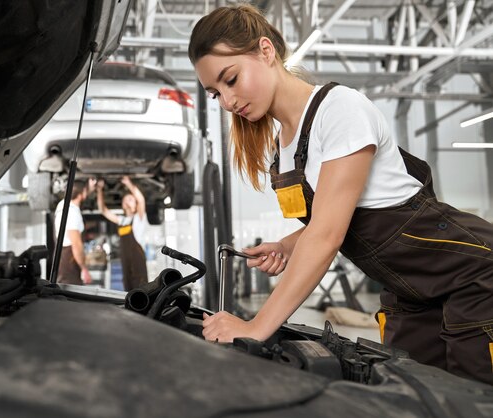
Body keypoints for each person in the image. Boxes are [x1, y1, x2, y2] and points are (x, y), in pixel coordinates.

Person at [190, 4, 493, 384]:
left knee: (474, 396)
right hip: (410, 294)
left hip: (473, 277)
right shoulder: (282, 148)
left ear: (265, 52)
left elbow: (327, 235)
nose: (228, 101)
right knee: (413, 395)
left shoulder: (339, 109)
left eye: (230, 79)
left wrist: (256, 325)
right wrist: (288, 245)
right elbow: (341, 216)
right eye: (215, 93)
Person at [96, 176, 148, 291]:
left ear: (136, 204)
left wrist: (129, 183)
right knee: (127, 289)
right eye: (126, 199)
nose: (127, 201)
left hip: (138, 262)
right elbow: (103, 210)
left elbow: (141, 200)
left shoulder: (139, 219)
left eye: (130, 199)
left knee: (141, 290)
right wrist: (99, 190)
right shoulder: (122, 221)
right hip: (126, 262)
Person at [54, 179, 95, 285]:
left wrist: (88, 189)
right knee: (71, 295)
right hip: (70, 260)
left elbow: (78, 196)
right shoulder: (72, 214)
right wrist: (84, 269)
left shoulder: (63, 205)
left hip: (64, 256)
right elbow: (76, 245)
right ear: (81, 194)